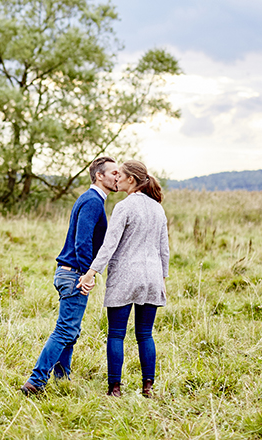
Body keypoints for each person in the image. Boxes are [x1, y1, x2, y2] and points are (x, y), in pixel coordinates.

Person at [20, 157, 119, 395]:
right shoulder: (93, 201)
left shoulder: (92, 199)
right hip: (74, 274)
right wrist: (88, 274)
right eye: (114, 173)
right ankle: (35, 381)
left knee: (71, 332)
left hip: (69, 273)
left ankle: (62, 379)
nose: (118, 177)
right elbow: (82, 242)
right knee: (65, 330)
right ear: (99, 176)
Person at [77, 159, 169, 398]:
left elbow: (109, 245)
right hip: (152, 277)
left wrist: (91, 272)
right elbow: (164, 249)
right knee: (145, 334)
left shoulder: (124, 207)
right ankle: (148, 387)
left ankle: (114, 389)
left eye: (121, 176)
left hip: (126, 277)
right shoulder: (158, 208)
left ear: (131, 180)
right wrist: (163, 278)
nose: (116, 178)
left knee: (116, 333)